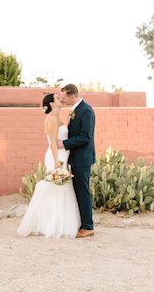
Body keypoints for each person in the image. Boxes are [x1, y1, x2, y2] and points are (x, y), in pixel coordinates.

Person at [17, 93, 81, 238]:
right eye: (58, 98)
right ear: (52, 104)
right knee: (54, 188)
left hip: (63, 156)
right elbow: (53, 143)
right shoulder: (51, 119)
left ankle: (60, 223)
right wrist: (57, 162)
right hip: (55, 157)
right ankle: (49, 224)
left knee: (61, 189)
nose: (61, 99)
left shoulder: (58, 117)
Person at [58, 84, 95, 238]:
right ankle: (82, 223)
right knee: (78, 191)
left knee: (83, 192)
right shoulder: (75, 110)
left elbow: (85, 136)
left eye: (64, 97)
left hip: (83, 159)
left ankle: (88, 226)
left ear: (72, 96)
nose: (63, 99)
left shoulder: (86, 111)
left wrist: (64, 144)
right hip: (75, 158)